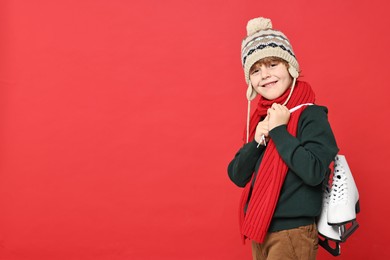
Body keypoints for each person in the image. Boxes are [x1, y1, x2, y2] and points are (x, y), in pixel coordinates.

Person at [227, 17, 339, 260]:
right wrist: (257, 140)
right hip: (261, 230)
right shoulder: (261, 118)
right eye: (255, 70)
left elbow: (314, 171)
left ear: (290, 67)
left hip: (293, 233)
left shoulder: (311, 115)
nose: (264, 75)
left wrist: (279, 131)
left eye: (273, 64)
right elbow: (237, 175)